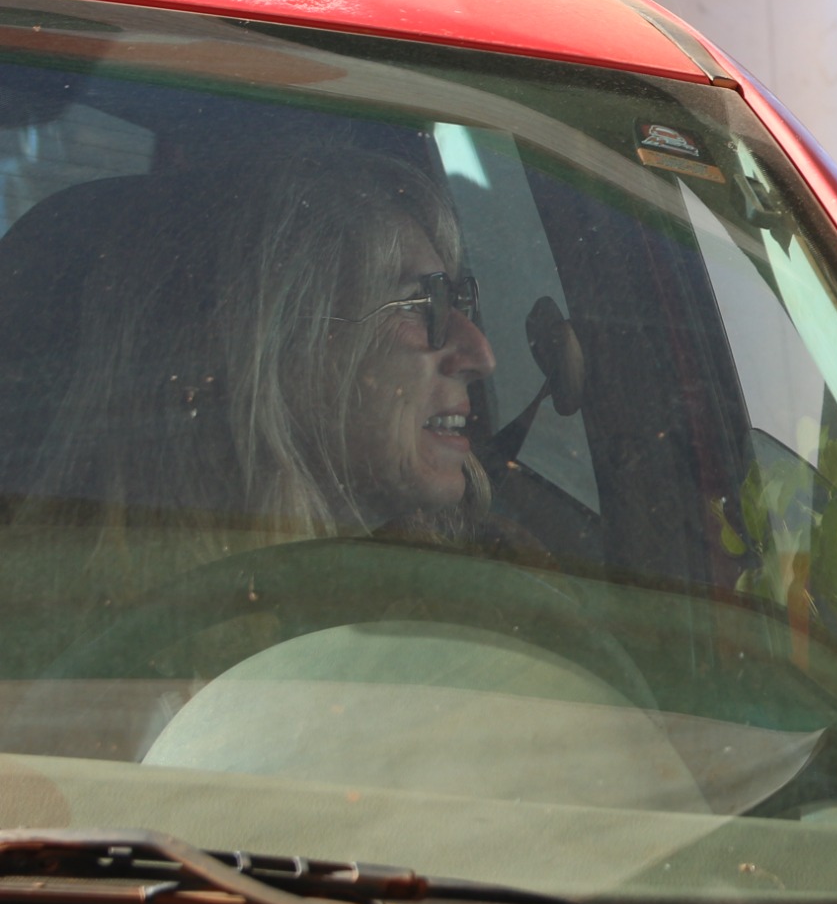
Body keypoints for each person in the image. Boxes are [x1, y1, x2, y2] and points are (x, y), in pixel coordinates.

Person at [20, 147, 498, 593]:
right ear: (271, 346)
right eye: (420, 304)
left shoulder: (492, 580)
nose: (481, 355)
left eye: (458, 303)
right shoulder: (50, 619)